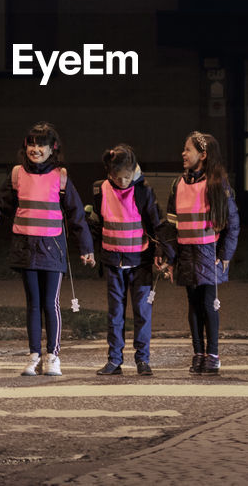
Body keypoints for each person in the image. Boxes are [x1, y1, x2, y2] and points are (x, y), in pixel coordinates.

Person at [0, 122, 95, 376]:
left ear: (53, 148)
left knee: (50, 303)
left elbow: (77, 216)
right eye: (31, 143)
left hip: (52, 249)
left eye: (41, 144)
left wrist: (86, 248)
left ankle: (53, 356)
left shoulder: (61, 177)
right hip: (25, 248)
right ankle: (34, 356)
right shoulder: (17, 175)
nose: (36, 148)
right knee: (32, 303)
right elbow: (0, 208)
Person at [157, 131, 240, 376]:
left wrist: (225, 255)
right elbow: (171, 225)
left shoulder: (217, 186)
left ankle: (212, 355)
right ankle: (198, 354)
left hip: (208, 253)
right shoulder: (178, 184)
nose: (183, 154)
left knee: (208, 305)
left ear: (203, 155)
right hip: (185, 254)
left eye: (188, 150)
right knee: (193, 305)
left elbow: (232, 224)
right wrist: (169, 257)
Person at [87, 144, 161, 377]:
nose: (122, 182)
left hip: (140, 261)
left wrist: (161, 253)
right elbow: (98, 224)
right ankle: (114, 360)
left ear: (133, 171)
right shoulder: (101, 190)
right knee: (115, 313)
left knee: (142, 312)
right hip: (112, 260)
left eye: (127, 177)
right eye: (117, 178)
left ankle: (142, 360)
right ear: (109, 173)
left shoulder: (144, 191)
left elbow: (155, 225)